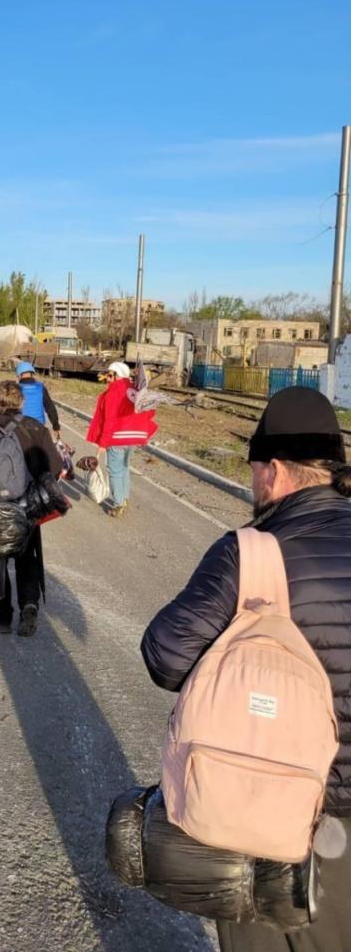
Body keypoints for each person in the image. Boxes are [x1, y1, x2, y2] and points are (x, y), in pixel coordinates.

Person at [140, 386, 351, 952]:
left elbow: (164, 655)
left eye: (256, 467)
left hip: (261, 808)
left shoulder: (251, 551)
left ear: (275, 471)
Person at [0, 380, 63, 637]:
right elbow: (55, 467)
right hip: (27, 505)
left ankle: (2, 617)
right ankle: (29, 604)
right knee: (26, 558)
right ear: (21, 401)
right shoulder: (35, 428)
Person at [86, 361, 157, 517]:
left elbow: (110, 420)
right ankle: (123, 499)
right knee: (124, 468)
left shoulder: (114, 392)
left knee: (115, 470)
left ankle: (118, 504)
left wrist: (103, 444)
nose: (107, 378)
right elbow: (148, 412)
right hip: (131, 437)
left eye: (110, 375)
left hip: (117, 437)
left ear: (118, 375)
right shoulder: (133, 390)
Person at [15, 361, 61, 436]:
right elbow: (50, 408)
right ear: (32, 373)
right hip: (39, 425)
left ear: (19, 375)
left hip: (21, 426)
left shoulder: (16, 388)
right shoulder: (40, 387)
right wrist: (56, 426)